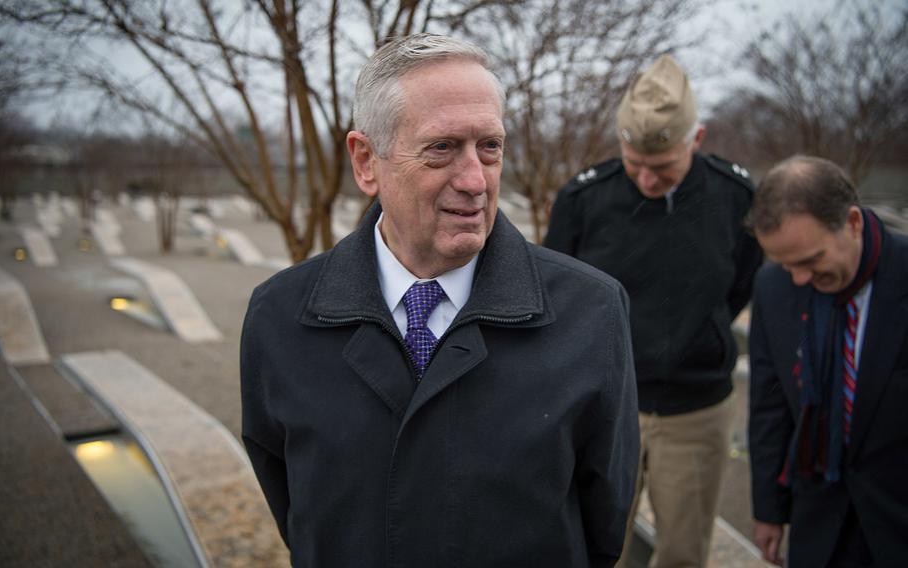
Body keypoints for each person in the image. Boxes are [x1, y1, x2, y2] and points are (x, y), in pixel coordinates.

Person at [241, 33, 640, 567]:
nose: (475, 180)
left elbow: (603, 524)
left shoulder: (591, 312)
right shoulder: (279, 318)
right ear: (366, 162)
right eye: (442, 148)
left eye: (490, 147)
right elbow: (297, 510)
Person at [545, 54, 762, 568]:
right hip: (604, 402)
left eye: (662, 168)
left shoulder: (736, 197)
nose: (645, 179)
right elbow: (558, 294)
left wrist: (697, 333)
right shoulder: (584, 198)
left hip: (696, 406)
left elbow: (742, 283)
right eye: (634, 163)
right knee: (595, 544)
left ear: (698, 139)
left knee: (684, 552)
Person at [747, 155, 908, 567]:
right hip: (819, 522)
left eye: (810, 260)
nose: (799, 279)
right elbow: (769, 406)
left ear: (852, 223)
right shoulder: (773, 287)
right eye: (785, 264)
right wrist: (768, 508)